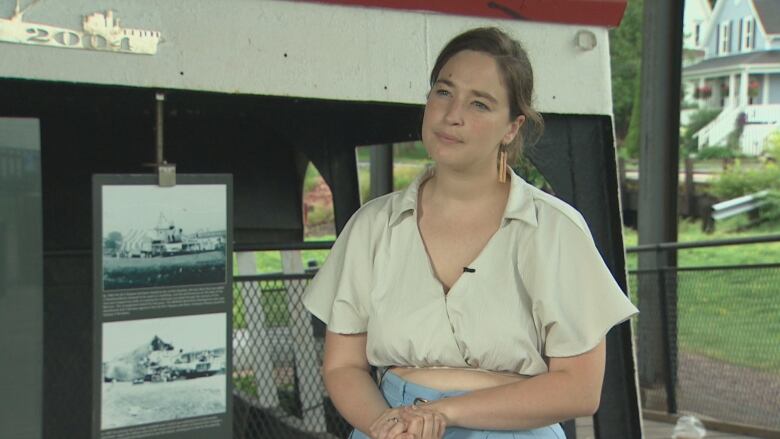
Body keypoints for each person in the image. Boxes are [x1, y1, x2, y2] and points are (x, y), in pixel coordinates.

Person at [303, 27, 638, 439]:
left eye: (480, 103)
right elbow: (343, 365)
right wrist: (386, 425)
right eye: (444, 92)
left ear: (512, 128)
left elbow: (580, 389)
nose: (453, 114)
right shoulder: (372, 226)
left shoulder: (554, 230)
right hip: (392, 428)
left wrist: (442, 413)